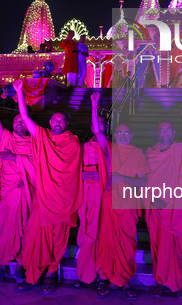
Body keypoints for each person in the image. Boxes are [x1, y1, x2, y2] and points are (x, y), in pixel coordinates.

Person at [13, 79, 83, 294]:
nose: (58, 123)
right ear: (50, 122)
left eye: (62, 121)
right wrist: (19, 92)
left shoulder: (73, 142)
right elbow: (25, 117)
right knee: (34, 237)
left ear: (66, 124)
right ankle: (31, 273)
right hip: (43, 199)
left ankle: (51, 274)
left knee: (58, 241)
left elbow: (72, 171)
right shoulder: (42, 137)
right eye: (55, 120)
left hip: (63, 200)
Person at [144, 117, 182, 299]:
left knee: (176, 247)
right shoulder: (149, 153)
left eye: (169, 130)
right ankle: (161, 281)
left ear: (174, 133)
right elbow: (143, 180)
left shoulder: (180, 150)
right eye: (162, 130)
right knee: (158, 246)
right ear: (157, 133)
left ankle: (177, 283)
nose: (165, 133)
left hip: (176, 206)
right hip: (155, 206)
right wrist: (153, 199)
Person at [0, 84, 36, 284]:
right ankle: (3, 267)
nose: (19, 125)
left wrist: (15, 158)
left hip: (24, 193)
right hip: (6, 193)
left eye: (23, 122)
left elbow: (37, 168)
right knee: (3, 229)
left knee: (23, 229)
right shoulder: (5, 137)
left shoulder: (34, 143)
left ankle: (21, 267)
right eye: (16, 122)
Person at [96, 122, 150, 299]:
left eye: (126, 132)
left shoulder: (138, 153)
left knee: (126, 245)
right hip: (111, 201)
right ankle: (115, 280)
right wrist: (95, 104)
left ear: (131, 135)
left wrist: (122, 178)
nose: (123, 135)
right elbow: (97, 131)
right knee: (109, 242)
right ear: (115, 134)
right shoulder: (110, 148)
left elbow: (142, 181)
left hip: (128, 204)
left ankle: (123, 280)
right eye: (120, 132)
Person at [73, 92, 109, 288]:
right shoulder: (83, 146)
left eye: (103, 125)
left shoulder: (107, 145)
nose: (100, 127)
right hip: (86, 195)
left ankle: (102, 273)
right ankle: (86, 270)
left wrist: (94, 105)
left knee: (100, 232)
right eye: (98, 124)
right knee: (86, 231)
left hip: (101, 195)